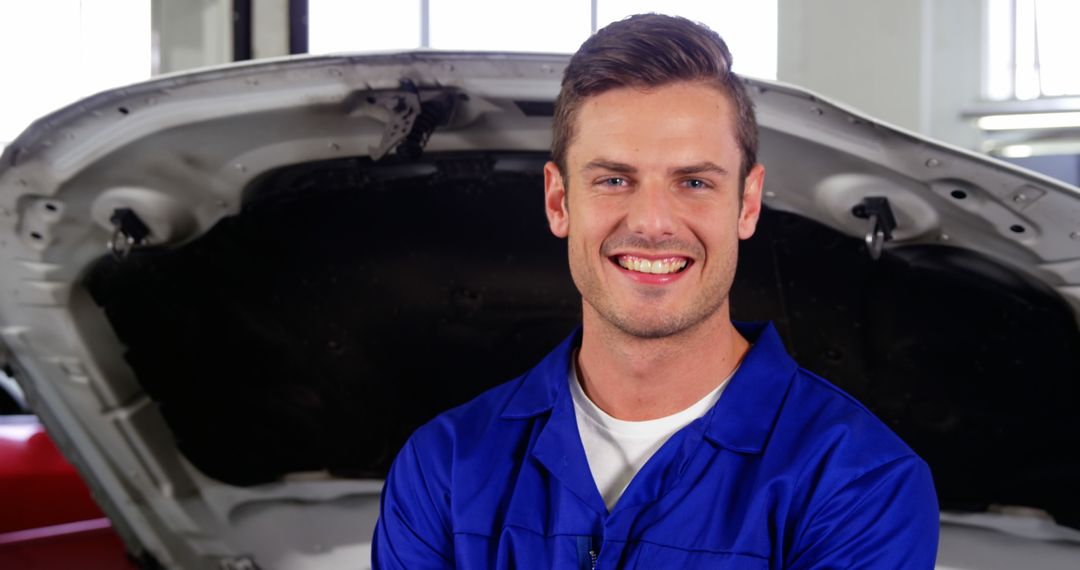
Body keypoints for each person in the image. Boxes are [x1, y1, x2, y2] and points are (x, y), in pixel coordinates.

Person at [373, 13, 939, 569]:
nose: (652, 222)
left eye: (694, 182)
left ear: (746, 202)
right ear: (558, 201)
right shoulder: (443, 467)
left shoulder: (860, 485)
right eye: (614, 179)